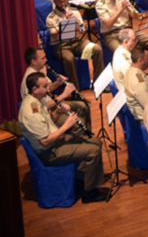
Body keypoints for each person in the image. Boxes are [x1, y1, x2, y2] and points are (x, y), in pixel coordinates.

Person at [19, 72, 106, 203]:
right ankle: (90, 193)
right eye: (44, 86)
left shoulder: (36, 100)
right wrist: (66, 125)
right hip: (49, 151)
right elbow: (45, 141)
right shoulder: (31, 113)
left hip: (55, 142)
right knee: (93, 151)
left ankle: (80, 179)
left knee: (95, 142)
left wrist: (58, 113)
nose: (48, 88)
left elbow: (48, 121)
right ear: (34, 89)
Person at [20, 47, 91, 129]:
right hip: (46, 115)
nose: (46, 60)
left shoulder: (39, 70)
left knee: (83, 106)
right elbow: (43, 106)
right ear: (33, 62)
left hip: (52, 105)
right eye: (43, 58)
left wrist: (57, 83)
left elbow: (48, 88)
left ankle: (87, 137)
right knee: (78, 122)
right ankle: (80, 137)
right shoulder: (30, 81)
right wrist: (64, 95)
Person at [45, 0, 104, 87]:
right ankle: (75, 90)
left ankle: (98, 84)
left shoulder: (74, 12)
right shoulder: (51, 18)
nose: (63, 4)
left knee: (97, 49)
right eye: (60, 2)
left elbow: (82, 29)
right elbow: (55, 36)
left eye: (64, 1)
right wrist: (66, 22)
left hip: (75, 42)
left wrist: (77, 21)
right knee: (69, 59)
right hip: (60, 46)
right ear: (54, 1)